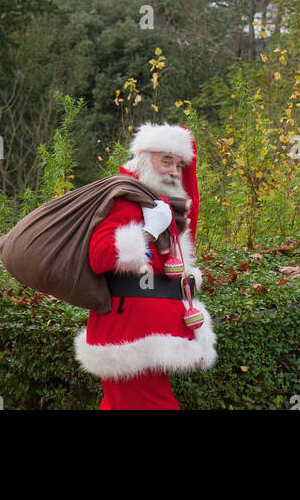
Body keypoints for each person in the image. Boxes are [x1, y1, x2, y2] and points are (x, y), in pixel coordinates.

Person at [73, 122, 217, 410]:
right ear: (143, 159)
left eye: (179, 165)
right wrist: (147, 232)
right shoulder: (125, 199)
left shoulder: (165, 206)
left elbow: (191, 198)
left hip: (148, 331)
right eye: (166, 161)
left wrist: (189, 152)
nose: (174, 171)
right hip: (129, 334)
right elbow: (100, 256)